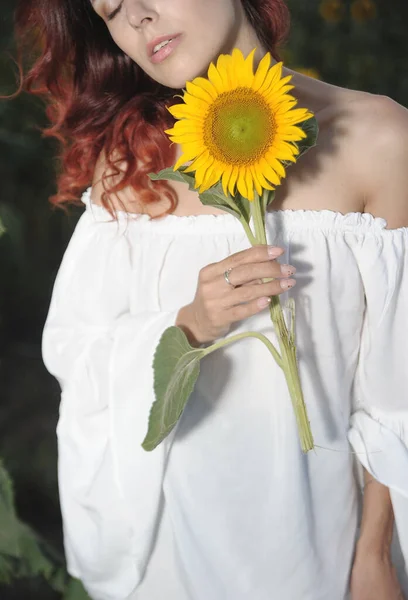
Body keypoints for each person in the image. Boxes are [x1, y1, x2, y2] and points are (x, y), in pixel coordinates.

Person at [13, 0, 408, 598]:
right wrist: (186, 325)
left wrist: (374, 554)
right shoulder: (129, 165)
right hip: (173, 548)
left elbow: (397, 385)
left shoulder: (378, 139)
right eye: (112, 10)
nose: (138, 18)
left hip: (324, 540)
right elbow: (77, 354)